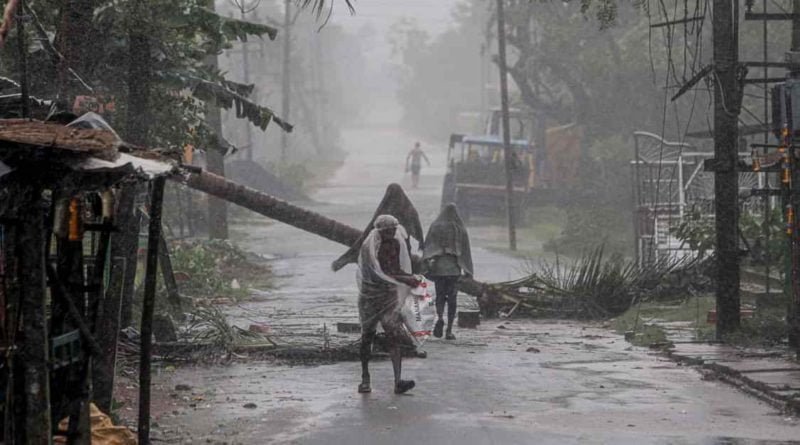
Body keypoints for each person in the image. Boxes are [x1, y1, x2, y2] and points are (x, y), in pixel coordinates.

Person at [357, 214, 421, 394]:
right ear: (381, 231)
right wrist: (407, 279)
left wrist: (408, 277)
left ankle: (398, 380)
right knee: (367, 336)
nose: (393, 233)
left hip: (389, 295)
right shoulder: (368, 248)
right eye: (389, 231)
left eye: (394, 230)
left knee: (393, 334)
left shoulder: (395, 243)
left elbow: (395, 269)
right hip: (370, 297)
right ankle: (365, 378)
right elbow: (381, 273)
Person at [423, 203, 473, 340]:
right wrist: (468, 270)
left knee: (440, 296)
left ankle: (439, 317)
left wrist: (428, 261)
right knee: (452, 299)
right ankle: (449, 329)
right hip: (454, 270)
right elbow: (465, 251)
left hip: (439, 269)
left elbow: (428, 246)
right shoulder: (459, 228)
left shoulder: (435, 226)